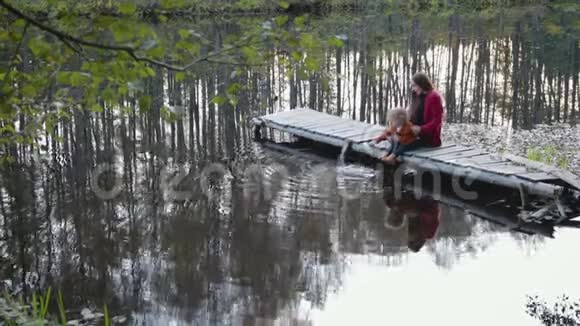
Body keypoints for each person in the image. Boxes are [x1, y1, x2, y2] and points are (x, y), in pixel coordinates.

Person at [373, 72, 444, 163]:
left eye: (414, 85)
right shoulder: (416, 96)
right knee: (396, 139)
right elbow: (401, 121)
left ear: (422, 84)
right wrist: (382, 136)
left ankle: (392, 158)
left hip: (427, 137)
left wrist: (421, 129)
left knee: (404, 143)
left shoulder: (434, 97)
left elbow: (437, 121)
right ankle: (388, 157)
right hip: (412, 133)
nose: (413, 89)